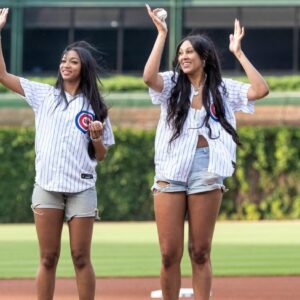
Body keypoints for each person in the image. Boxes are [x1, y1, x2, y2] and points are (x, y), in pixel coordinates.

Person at [144, 4, 269, 300]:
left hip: (207, 167)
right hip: (171, 169)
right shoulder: (172, 84)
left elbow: (260, 90)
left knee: (200, 251)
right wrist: (161, 34)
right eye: (181, 52)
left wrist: (238, 52)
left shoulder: (223, 89)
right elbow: (149, 78)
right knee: (168, 253)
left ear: (204, 58)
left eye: (190, 52)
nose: (184, 56)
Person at [0, 8, 115, 300]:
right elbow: (2, 75)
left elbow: (100, 155)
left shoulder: (96, 107)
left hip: (81, 188)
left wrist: (98, 138)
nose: (66, 65)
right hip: (47, 186)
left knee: (80, 257)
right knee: (48, 257)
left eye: (73, 61)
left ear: (84, 68)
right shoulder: (44, 95)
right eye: (64, 60)